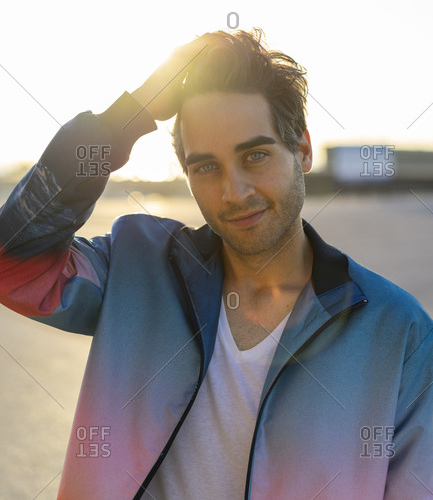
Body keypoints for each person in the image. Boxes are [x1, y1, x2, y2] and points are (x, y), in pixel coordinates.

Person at [0, 29, 432, 500]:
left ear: (303, 150)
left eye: (256, 155)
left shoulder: (400, 332)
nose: (235, 192)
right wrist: (131, 114)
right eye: (206, 166)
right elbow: (13, 261)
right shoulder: (134, 265)